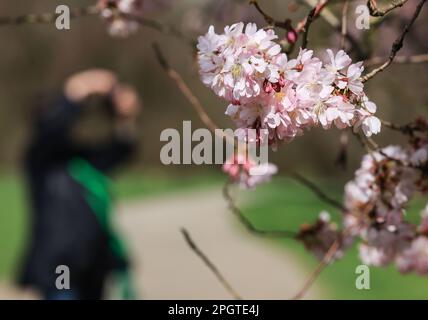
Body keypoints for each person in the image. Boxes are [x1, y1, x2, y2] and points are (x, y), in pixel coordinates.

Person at [19, 69, 141, 300]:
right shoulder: (41, 158)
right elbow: (50, 129)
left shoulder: (80, 160)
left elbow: (121, 150)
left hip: (93, 270)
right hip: (59, 270)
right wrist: (80, 88)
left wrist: (125, 118)